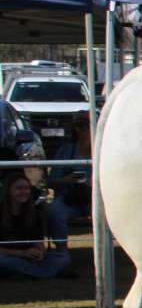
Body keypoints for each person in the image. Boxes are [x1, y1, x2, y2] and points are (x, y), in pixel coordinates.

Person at [0, 173, 70, 279]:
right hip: (8, 255)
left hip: (26, 257)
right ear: (8, 190)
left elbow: (39, 243)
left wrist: (38, 253)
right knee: (4, 261)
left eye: (26, 188)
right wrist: (22, 253)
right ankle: (45, 274)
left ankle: (26, 273)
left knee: (63, 258)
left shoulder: (33, 212)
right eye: (18, 188)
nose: (23, 192)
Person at [46, 112, 92, 251]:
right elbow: (51, 181)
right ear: (74, 129)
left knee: (105, 216)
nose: (83, 130)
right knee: (54, 213)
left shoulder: (103, 150)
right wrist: (68, 180)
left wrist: (94, 182)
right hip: (69, 198)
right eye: (79, 126)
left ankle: (104, 254)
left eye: (87, 125)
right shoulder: (65, 150)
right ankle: (62, 253)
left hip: (96, 199)